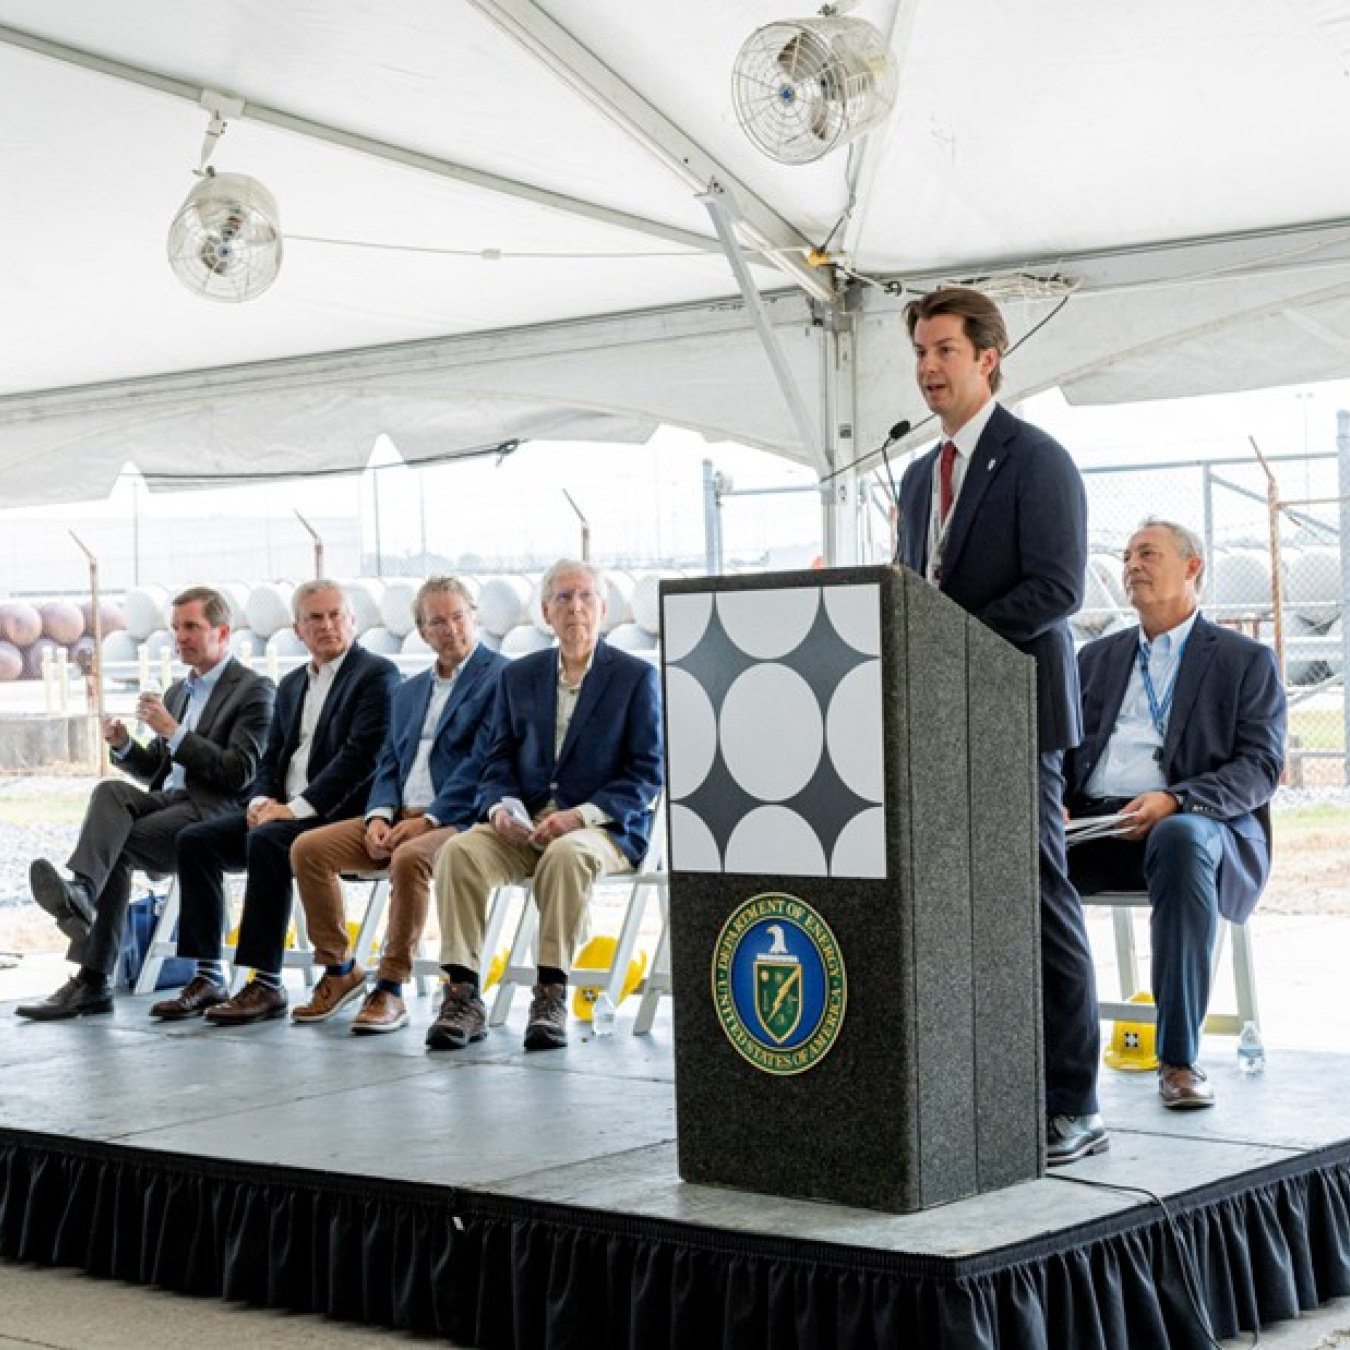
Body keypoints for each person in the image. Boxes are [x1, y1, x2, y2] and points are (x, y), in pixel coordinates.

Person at [897, 286, 1105, 1165]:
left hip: (1016, 714)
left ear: (989, 359)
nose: (928, 368)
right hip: (941, 717)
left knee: (1035, 897)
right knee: (951, 906)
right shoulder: (917, 475)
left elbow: (1057, 591)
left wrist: (949, 633)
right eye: (920, 353)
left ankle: (1075, 1101)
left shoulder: (1037, 460)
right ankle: (980, 1084)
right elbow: (913, 588)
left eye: (944, 350)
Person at [1065, 519, 1286, 1109]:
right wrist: (1053, 802)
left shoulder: (1244, 661)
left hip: (1192, 823)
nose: (1131, 564)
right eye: (1127, 554)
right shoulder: (1095, 659)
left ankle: (1178, 1061)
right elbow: (1057, 751)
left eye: (1148, 553)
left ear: (1192, 568)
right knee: (1016, 849)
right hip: (1096, 823)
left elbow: (1262, 766)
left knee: (1182, 839)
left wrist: (1177, 799)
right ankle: (1044, 1054)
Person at [426, 559, 663, 1053]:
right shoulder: (519, 677)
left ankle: (551, 992)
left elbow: (646, 773)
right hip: (525, 823)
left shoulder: (636, 677)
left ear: (603, 608)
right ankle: (462, 994)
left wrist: (578, 816)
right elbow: (496, 762)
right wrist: (499, 810)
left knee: (566, 854)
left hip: (600, 828)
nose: (574, 607)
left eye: (584, 597)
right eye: (562, 598)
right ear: (545, 613)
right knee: (460, 852)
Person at [17, 587, 275, 1021]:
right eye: (176, 629)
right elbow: (158, 768)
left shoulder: (253, 689)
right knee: (108, 792)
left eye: (192, 627)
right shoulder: (178, 691)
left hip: (214, 814)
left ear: (223, 631)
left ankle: (92, 976)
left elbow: (239, 773)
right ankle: (82, 892)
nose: (181, 638)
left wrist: (174, 732)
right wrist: (124, 746)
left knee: (116, 848)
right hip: (168, 803)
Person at [149, 580, 400, 1025]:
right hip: (282, 812)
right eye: (314, 618)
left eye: (335, 615)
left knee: (267, 841)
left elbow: (362, 758)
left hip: (340, 814)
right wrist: (263, 797)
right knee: (196, 841)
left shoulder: (376, 675)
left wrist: (296, 808)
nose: (326, 626)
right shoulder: (290, 684)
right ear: (298, 629)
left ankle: (266, 983)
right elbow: (271, 755)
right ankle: (207, 974)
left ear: (353, 621)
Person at [288, 578, 506, 1033]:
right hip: (400, 814)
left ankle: (390, 986)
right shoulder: (409, 692)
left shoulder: (501, 678)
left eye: (458, 617)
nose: (450, 629)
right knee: (309, 848)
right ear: (423, 632)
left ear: (475, 617)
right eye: (437, 622)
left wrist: (429, 819)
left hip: (458, 820)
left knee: (408, 860)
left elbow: (483, 760)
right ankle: (338, 969)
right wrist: (379, 815)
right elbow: (389, 761)